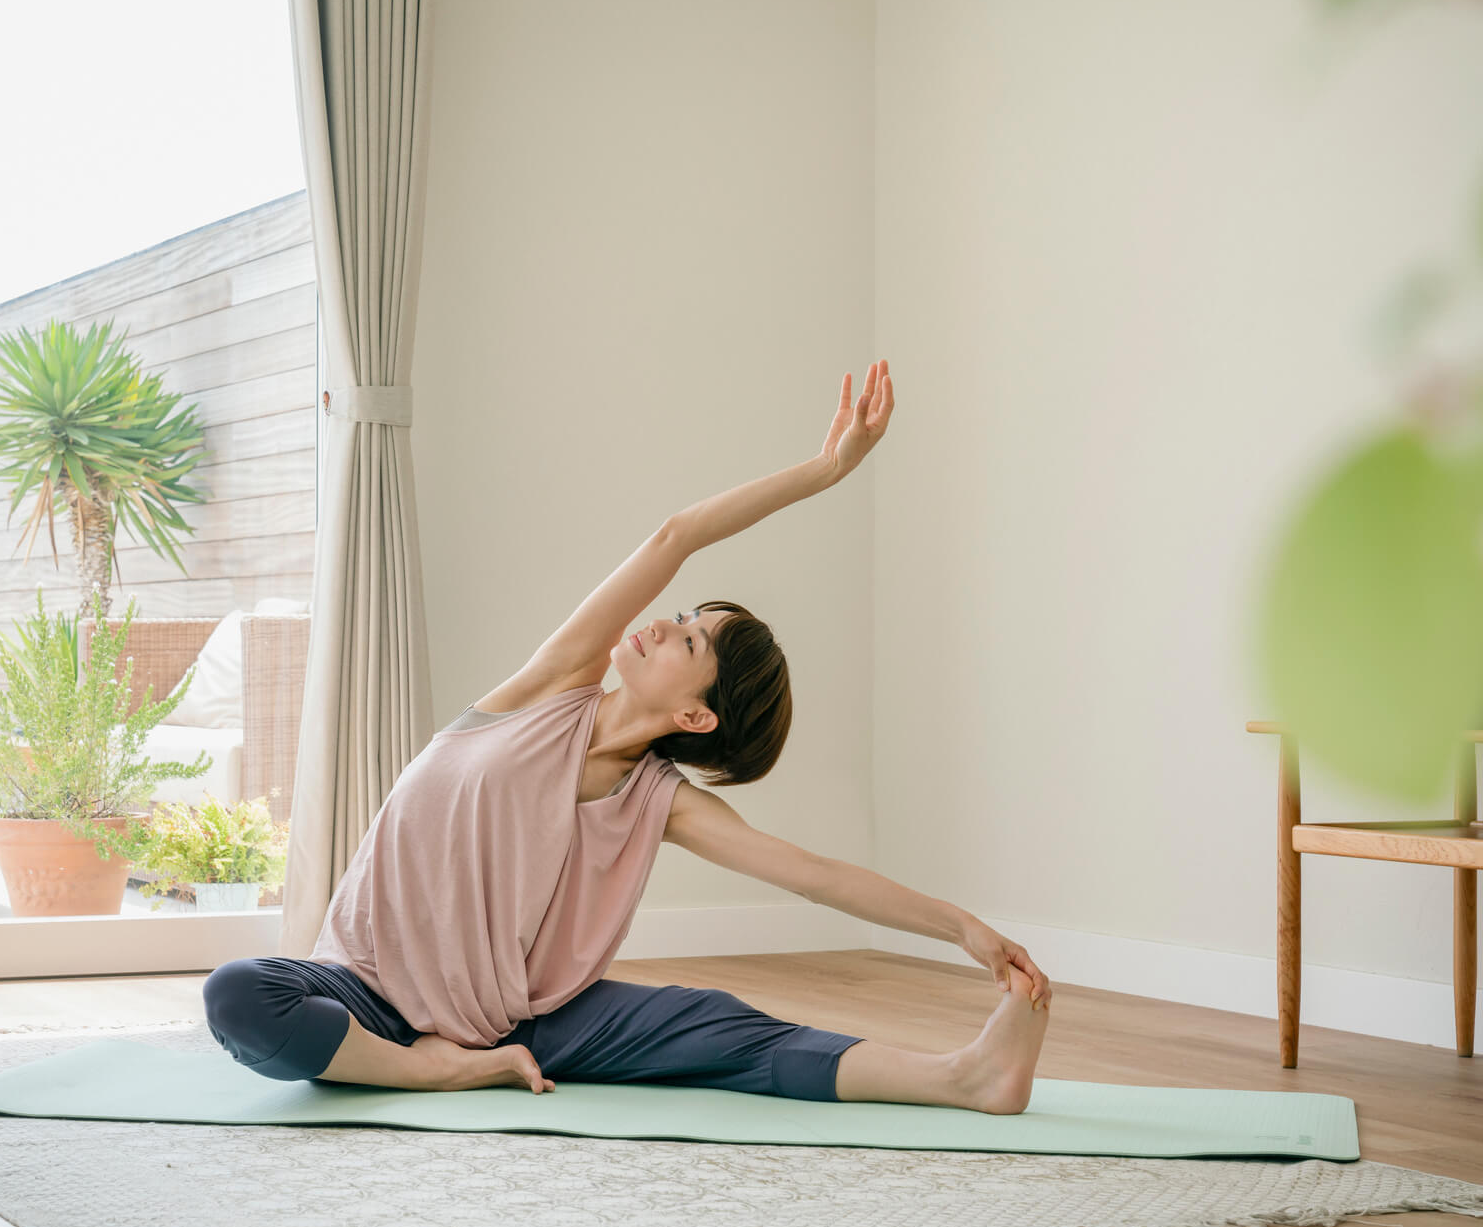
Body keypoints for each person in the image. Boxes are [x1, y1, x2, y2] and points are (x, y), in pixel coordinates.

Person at [203, 360, 1055, 1114]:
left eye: (690, 640)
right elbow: (674, 536)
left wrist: (964, 929)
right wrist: (824, 472)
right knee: (240, 993)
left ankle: (966, 1076)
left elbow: (816, 875)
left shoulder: (661, 803)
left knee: (723, 1029)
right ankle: (429, 1072)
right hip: (363, 990)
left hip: (521, 1020)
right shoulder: (548, 688)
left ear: (696, 715)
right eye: (685, 615)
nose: (664, 624)